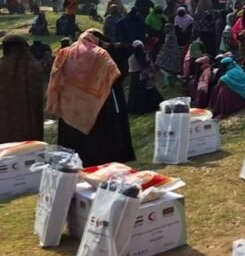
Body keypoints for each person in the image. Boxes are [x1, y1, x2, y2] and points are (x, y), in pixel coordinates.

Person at [47, 30, 134, 166]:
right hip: (97, 105)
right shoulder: (101, 55)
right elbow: (115, 75)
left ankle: (76, 162)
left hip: (70, 105)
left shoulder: (65, 54)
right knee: (97, 138)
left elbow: (55, 77)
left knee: (75, 139)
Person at [0, 35, 44, 145]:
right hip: (29, 121)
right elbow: (38, 97)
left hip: (5, 119)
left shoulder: (2, 67)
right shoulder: (33, 67)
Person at [126, 40, 163, 114]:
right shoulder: (145, 56)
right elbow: (148, 66)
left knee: (136, 94)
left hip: (135, 78)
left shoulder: (130, 58)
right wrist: (151, 74)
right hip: (144, 75)